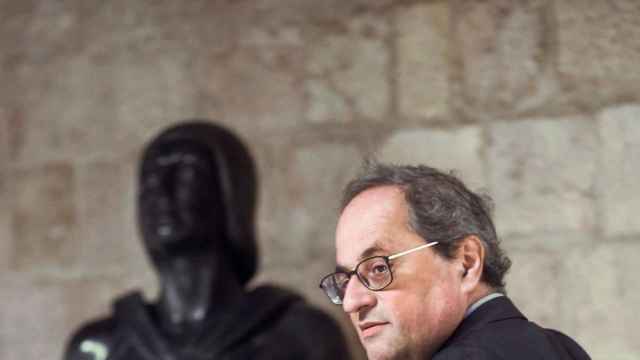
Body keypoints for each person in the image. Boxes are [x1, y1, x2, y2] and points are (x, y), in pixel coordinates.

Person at [65, 121, 350, 360]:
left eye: (186, 175)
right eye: (150, 183)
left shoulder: (299, 336)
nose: (162, 195)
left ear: (230, 194)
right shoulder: (98, 347)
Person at [319, 162, 591, 360]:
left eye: (378, 268)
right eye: (345, 281)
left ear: (467, 263)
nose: (352, 302)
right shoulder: (564, 349)